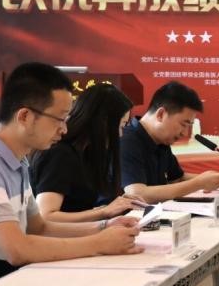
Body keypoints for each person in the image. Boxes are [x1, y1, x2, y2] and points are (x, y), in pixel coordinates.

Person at [0, 62, 142, 286]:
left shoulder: (16, 161)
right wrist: (98, 243)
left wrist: (104, 227)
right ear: (25, 116)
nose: (64, 129)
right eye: (59, 119)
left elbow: (39, 227)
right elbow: (17, 250)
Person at [31, 83, 144, 222]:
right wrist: (104, 212)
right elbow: (47, 216)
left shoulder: (87, 154)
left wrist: (118, 204)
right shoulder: (60, 154)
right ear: (102, 122)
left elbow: (82, 207)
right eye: (120, 126)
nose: (120, 134)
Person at [119, 81, 219, 203]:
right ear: (161, 114)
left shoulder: (161, 140)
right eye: (183, 124)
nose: (185, 133)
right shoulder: (127, 140)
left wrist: (214, 180)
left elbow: (177, 179)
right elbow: (137, 194)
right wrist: (199, 183)